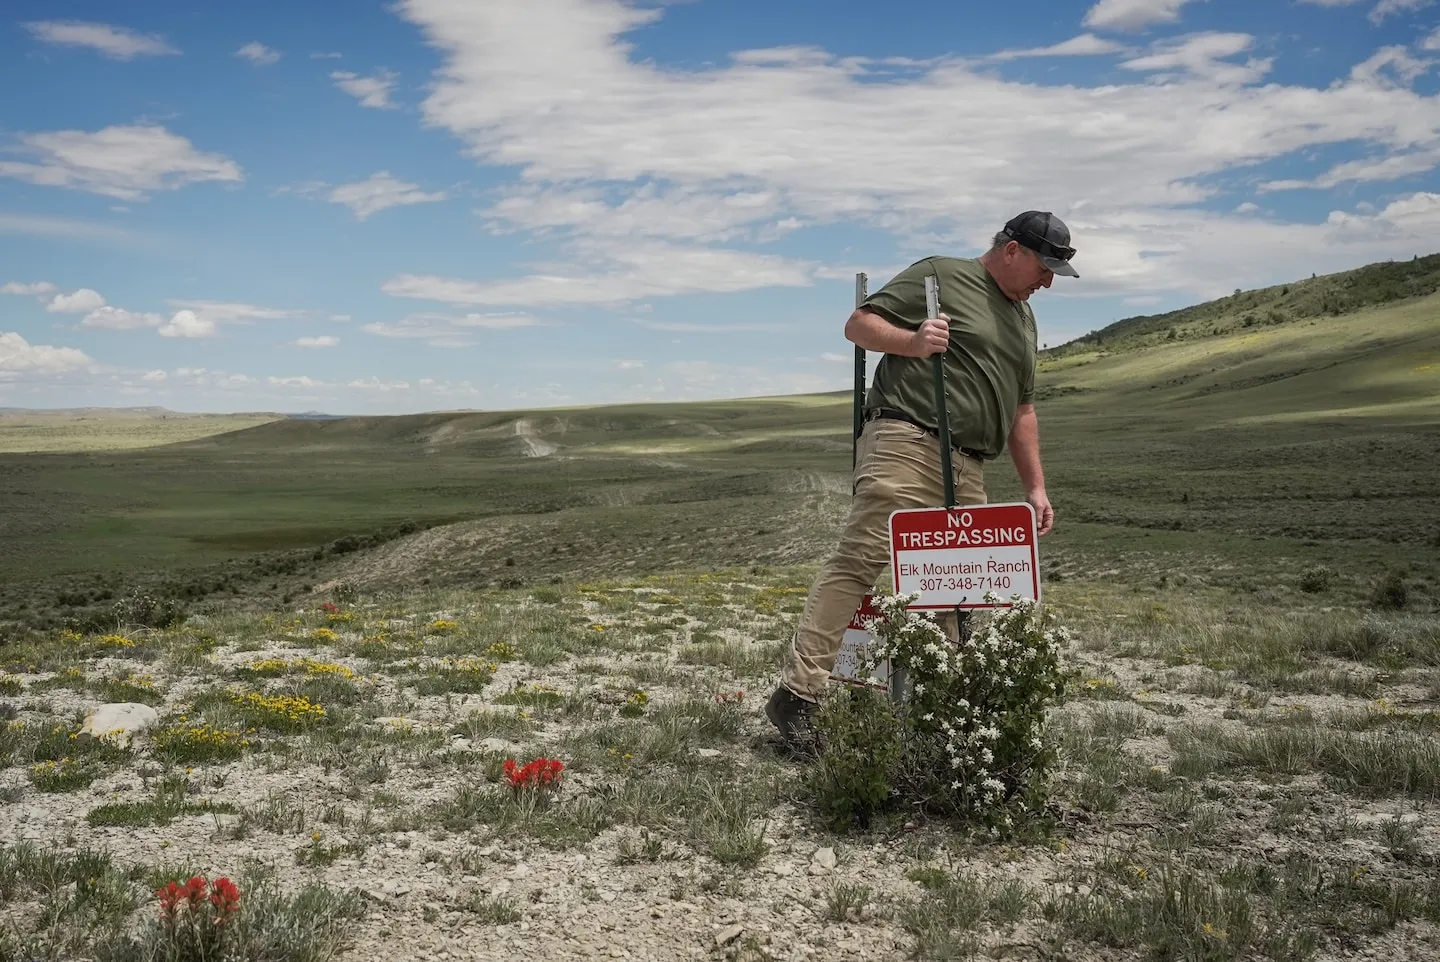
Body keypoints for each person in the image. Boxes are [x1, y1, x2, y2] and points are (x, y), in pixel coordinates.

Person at [764, 210, 1077, 756]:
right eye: (1042, 267)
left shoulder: (1024, 320)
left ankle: (935, 708)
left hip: (969, 464)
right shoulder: (941, 275)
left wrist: (1037, 487)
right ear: (1010, 250)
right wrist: (913, 340)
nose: (1047, 281)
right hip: (907, 441)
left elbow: (1022, 409)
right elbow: (858, 325)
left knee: (954, 585)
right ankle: (799, 694)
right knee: (861, 559)